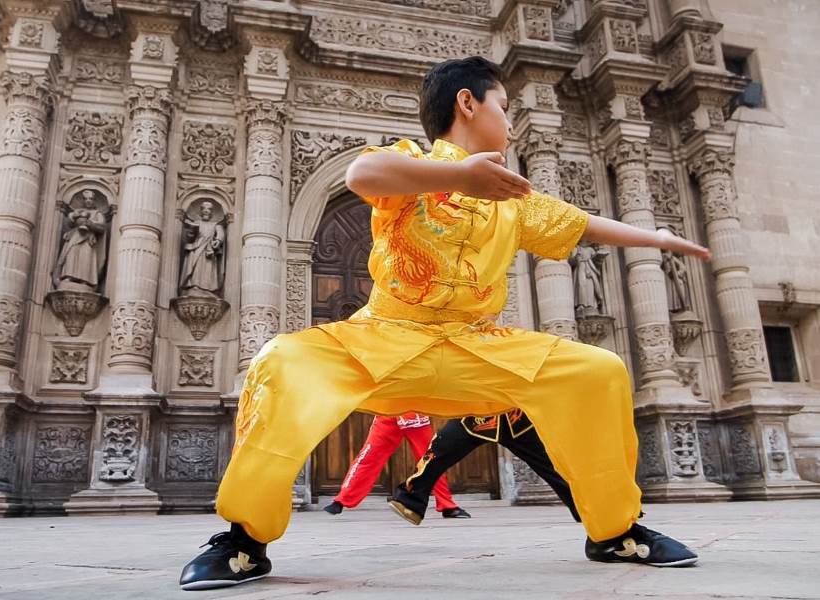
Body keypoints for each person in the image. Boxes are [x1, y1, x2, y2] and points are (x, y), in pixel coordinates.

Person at [179, 56, 707, 591]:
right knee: (282, 361)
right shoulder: (412, 162)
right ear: (467, 102)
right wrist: (461, 174)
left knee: (598, 371)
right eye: (504, 106)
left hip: (475, 346)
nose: (510, 119)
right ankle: (245, 540)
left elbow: (582, 224)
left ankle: (614, 532)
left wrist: (658, 239)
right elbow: (360, 174)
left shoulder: (512, 200)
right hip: (383, 337)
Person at [388, 409, 579, 526]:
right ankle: (411, 497)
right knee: (441, 447)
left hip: (514, 416)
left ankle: (598, 527)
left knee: (555, 468)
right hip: (476, 414)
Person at [323, 413, 470, 519]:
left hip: (413, 412)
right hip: (387, 412)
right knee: (368, 456)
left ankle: (447, 506)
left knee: (430, 460)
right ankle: (341, 500)